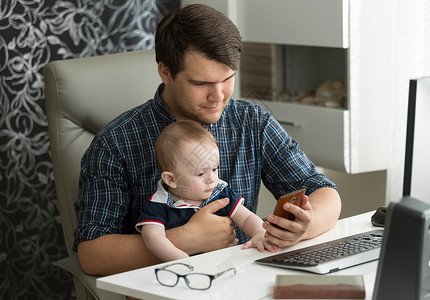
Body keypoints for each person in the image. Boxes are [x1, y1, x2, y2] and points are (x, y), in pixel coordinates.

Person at [75, 4, 341, 276]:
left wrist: (307, 224)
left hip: (244, 282)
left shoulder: (252, 122)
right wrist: (186, 238)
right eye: (202, 84)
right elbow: (92, 254)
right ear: (165, 72)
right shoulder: (115, 142)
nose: (218, 96)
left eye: (227, 79)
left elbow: (322, 191)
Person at [136, 120, 280, 261]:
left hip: (224, 267)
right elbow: (153, 239)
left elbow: (247, 218)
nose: (212, 178)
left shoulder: (220, 192)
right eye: (200, 174)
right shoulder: (158, 204)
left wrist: (259, 233)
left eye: (214, 169)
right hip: (182, 273)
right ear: (171, 180)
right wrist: (184, 261)